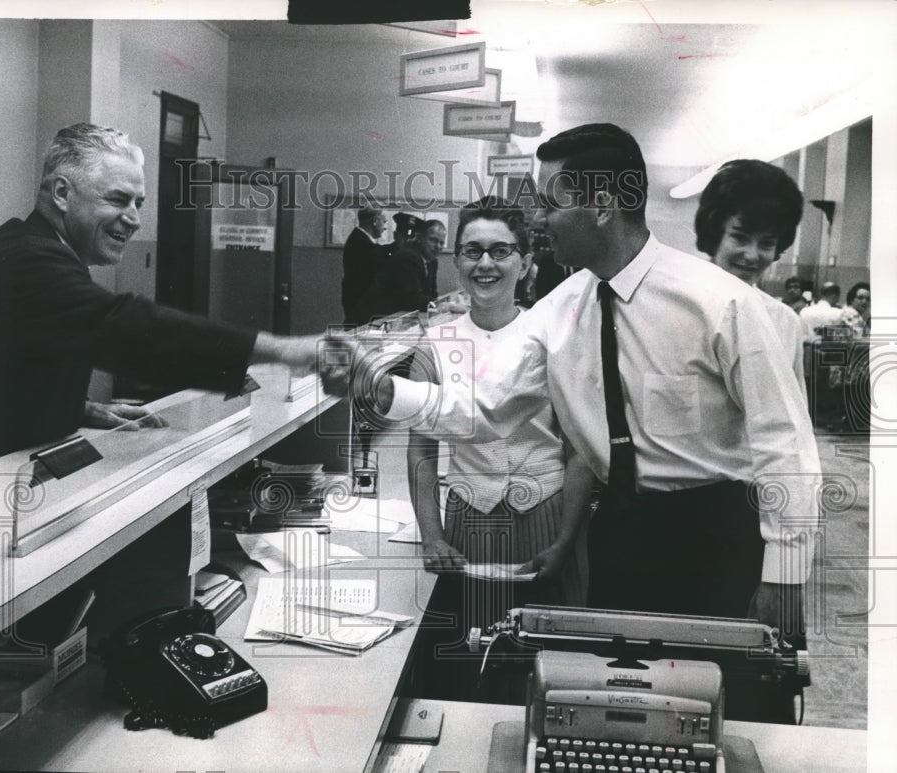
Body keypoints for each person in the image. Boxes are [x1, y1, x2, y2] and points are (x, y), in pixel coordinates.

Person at [330, 123, 820, 659]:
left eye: (550, 203)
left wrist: (785, 573)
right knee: (616, 688)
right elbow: (487, 407)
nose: (539, 218)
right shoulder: (562, 308)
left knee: (712, 693)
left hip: (715, 533)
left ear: (603, 204)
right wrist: (382, 390)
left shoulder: (721, 305)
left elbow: (784, 442)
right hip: (617, 529)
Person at [0, 123, 322, 486]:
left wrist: (77, 408)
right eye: (118, 200)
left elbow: (17, 367)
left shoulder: (42, 250)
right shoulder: (29, 258)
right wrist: (284, 349)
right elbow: (122, 327)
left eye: (139, 203)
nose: (133, 220)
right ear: (62, 193)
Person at [406, 197, 593, 701]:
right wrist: (430, 535)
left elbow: (581, 451)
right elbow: (422, 450)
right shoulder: (435, 342)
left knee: (552, 666)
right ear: (456, 262)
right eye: (471, 251)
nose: (485, 264)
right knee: (473, 662)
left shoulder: (553, 335)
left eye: (500, 251)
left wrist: (568, 536)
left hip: (548, 515)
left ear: (525, 262)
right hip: (469, 517)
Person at [694, 159, 806, 391]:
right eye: (740, 237)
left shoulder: (784, 322)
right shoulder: (679, 308)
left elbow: (796, 415)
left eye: (766, 243)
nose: (752, 256)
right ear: (715, 234)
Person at [351, 217, 436, 322]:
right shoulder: (380, 254)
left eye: (412, 236)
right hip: (373, 317)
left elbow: (429, 292)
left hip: (398, 316)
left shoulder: (426, 259)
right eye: (404, 236)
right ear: (396, 236)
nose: (408, 240)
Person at [341, 206, 385, 325]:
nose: (385, 227)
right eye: (384, 221)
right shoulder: (361, 242)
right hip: (360, 307)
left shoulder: (359, 238)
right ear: (375, 221)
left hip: (358, 304)